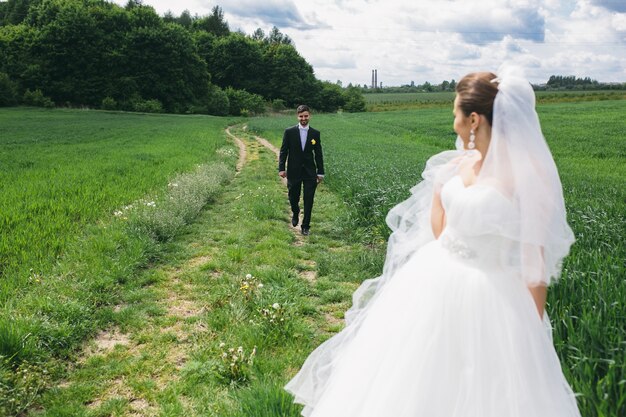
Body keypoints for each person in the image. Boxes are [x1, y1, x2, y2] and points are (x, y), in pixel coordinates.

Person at [285, 66, 581, 417]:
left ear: (473, 119)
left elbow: (536, 265)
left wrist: (530, 331)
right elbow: (441, 231)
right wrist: (442, 188)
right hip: (432, 279)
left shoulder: (526, 177)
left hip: (492, 295)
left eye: (455, 110)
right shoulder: (459, 165)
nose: (452, 118)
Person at [279, 104, 325, 236]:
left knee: (309, 199)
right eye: (301, 116)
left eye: (306, 116)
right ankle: (295, 211)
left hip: (310, 172)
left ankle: (305, 226)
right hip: (293, 171)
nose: (303, 119)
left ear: (309, 116)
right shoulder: (289, 132)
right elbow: (283, 151)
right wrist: (282, 168)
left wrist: (320, 172)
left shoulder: (315, 134)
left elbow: (318, 154)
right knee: (293, 196)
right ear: (297, 116)